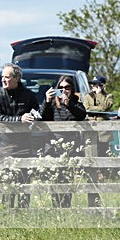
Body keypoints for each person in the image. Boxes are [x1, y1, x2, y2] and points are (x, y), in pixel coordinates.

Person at [0, 63, 39, 208]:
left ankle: (24, 210)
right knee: (7, 179)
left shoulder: (28, 95)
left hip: (24, 144)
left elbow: (37, 111)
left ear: (16, 78)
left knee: (24, 178)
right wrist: (19, 119)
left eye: (7, 77)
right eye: (2, 77)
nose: (3, 80)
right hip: (4, 145)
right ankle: (8, 210)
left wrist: (33, 117)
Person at [40, 75, 86, 207]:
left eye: (67, 88)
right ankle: (56, 207)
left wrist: (68, 104)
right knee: (54, 180)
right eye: (60, 88)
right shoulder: (53, 104)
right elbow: (42, 117)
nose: (64, 90)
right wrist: (47, 101)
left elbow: (82, 115)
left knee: (67, 179)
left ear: (72, 89)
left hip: (70, 147)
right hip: (54, 147)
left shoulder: (76, 102)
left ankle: (66, 207)